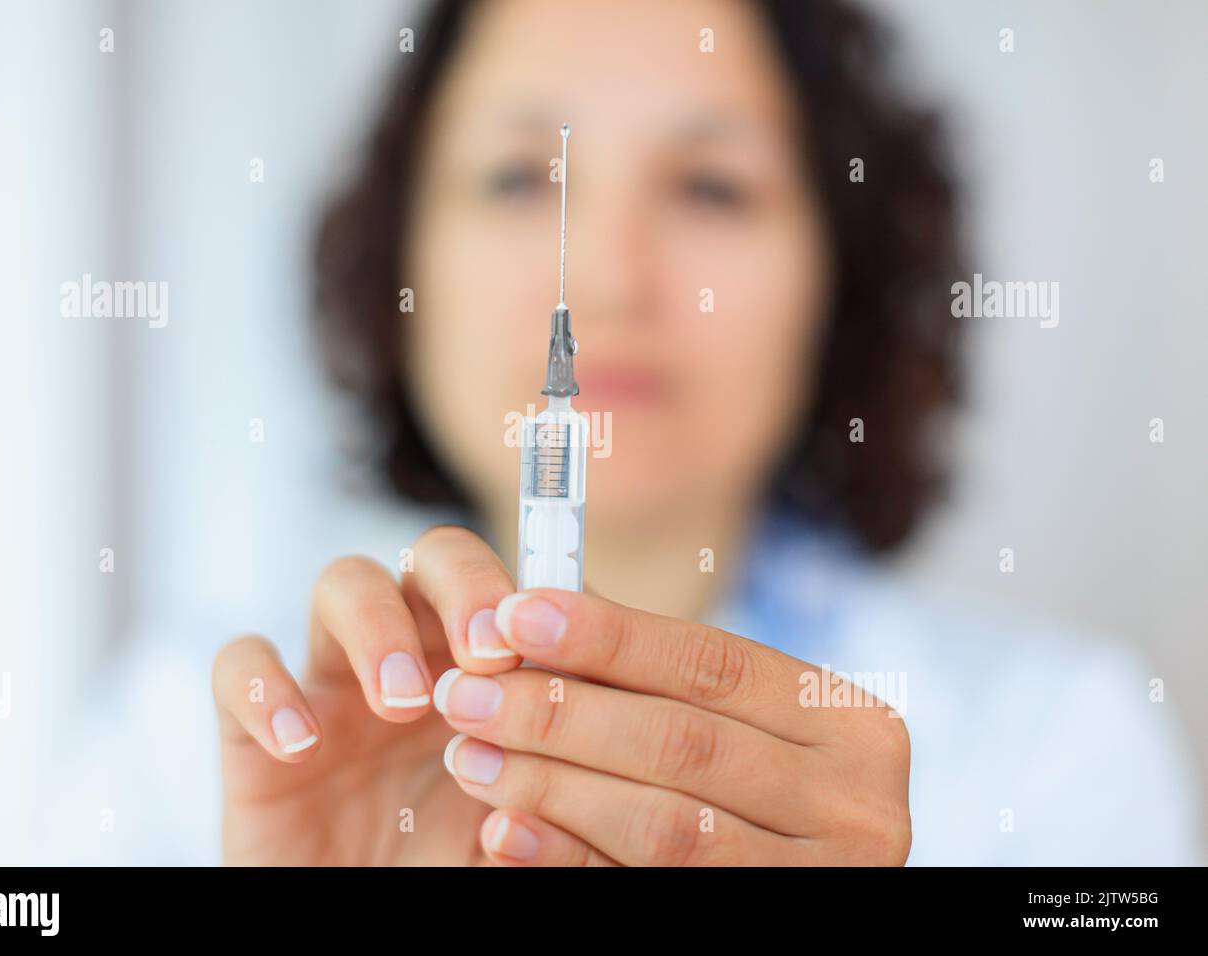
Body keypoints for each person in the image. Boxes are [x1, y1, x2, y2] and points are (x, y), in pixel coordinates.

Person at [210, 0, 1203, 865]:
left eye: (711, 185)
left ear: (837, 272)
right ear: (399, 259)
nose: (607, 277)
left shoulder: (1062, 747)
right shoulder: (198, 748)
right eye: (518, 176)